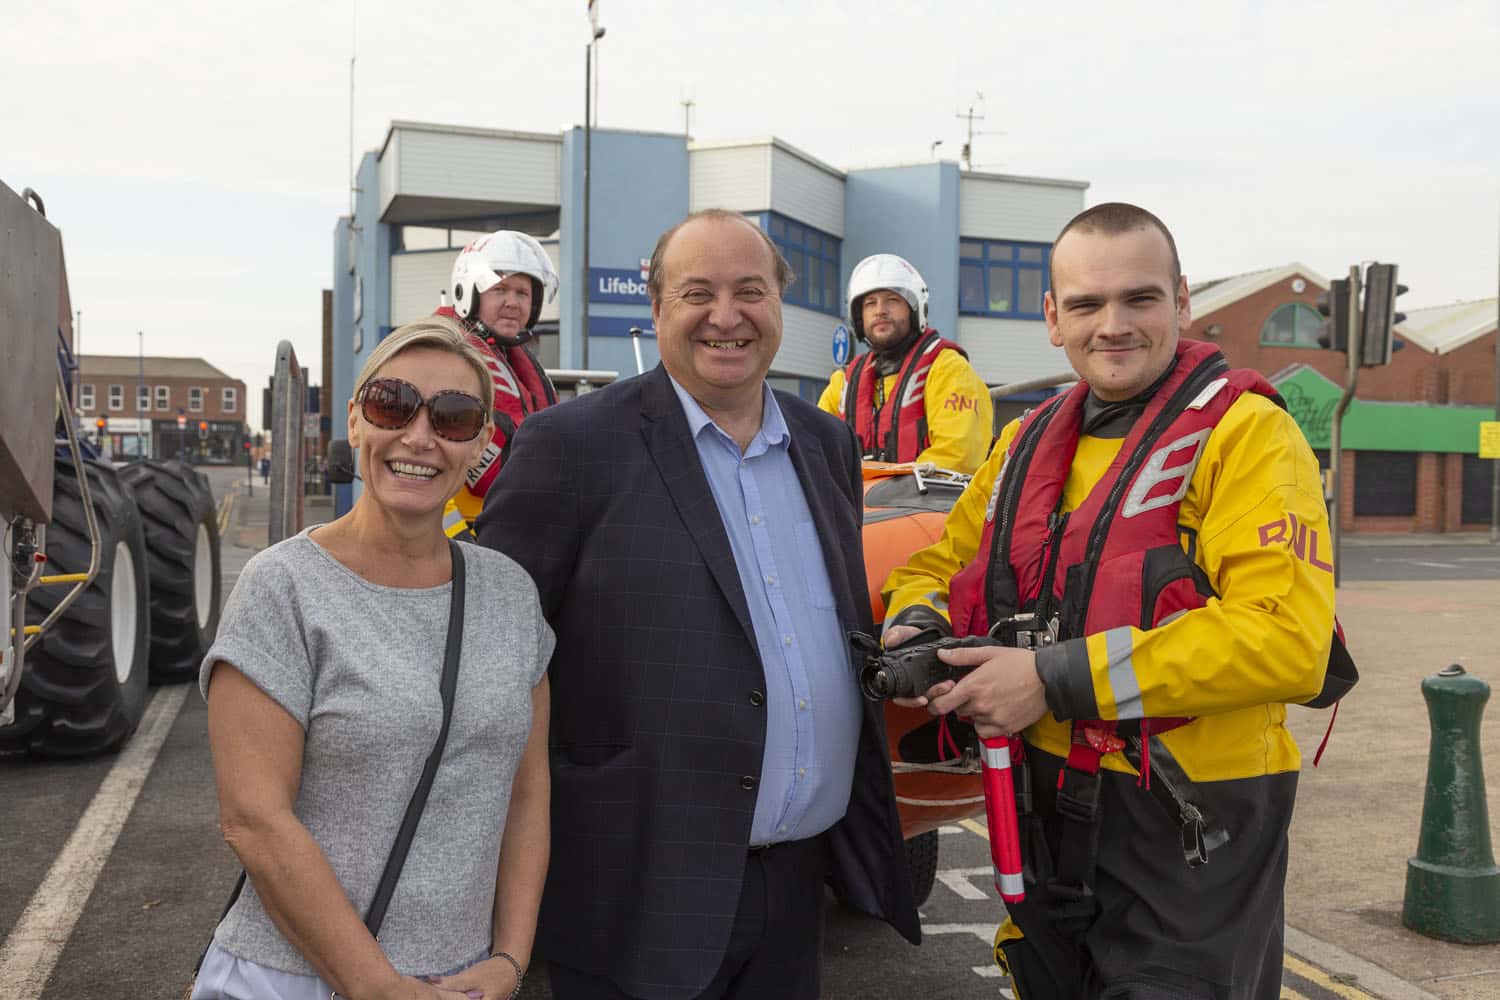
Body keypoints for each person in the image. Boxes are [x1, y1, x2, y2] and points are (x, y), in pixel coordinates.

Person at [882, 203, 1345, 999]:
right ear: (1053, 319)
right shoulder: (1024, 443)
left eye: (1140, 299)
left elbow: (1286, 642)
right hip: (1046, 803)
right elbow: (941, 559)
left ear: (1183, 303)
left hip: (1190, 816)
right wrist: (917, 618)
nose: (1114, 326)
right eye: (1088, 305)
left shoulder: (1250, 437)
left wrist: (1052, 679)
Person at [476, 209, 920, 1000]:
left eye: (751, 291)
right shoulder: (568, 447)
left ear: (780, 306)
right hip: (632, 895)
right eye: (697, 293)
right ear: (656, 308)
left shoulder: (827, 446)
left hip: (794, 888)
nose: (727, 316)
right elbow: (492, 664)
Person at [193, 318, 553, 1000]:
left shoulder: (509, 594)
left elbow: (527, 792)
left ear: (479, 444)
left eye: (453, 417)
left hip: (461, 980)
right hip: (291, 977)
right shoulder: (284, 587)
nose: (419, 437)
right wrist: (378, 986)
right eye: (393, 404)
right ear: (355, 422)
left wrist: (510, 959)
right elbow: (254, 818)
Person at [817, 253, 993, 474]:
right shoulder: (842, 385)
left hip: (930, 505)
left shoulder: (949, 370)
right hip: (856, 506)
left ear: (914, 309)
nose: (880, 310)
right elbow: (814, 449)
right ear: (859, 318)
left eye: (892, 300)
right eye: (870, 303)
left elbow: (959, 456)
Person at [437, 230, 560, 540]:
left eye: (522, 293)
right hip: (463, 536)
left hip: (518, 530)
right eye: (500, 289)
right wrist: (453, 537)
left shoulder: (519, 365)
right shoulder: (442, 357)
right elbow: (427, 459)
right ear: (470, 292)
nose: (513, 303)